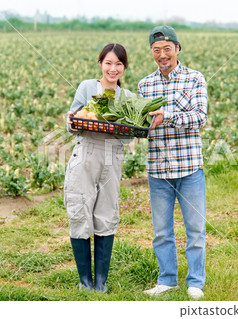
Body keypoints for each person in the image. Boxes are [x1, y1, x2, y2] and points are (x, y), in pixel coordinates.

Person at [137, 26, 208, 299]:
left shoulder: (194, 79)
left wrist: (166, 115)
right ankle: (167, 279)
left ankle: (195, 283)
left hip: (189, 167)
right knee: (161, 232)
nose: (162, 55)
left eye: (167, 49)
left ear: (178, 48)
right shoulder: (145, 85)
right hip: (158, 170)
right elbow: (143, 124)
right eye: (156, 50)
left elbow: (199, 117)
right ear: (152, 53)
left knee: (195, 230)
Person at [64, 43, 131, 292]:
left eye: (119, 64)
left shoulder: (127, 98)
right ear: (100, 63)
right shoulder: (86, 87)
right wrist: (72, 121)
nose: (113, 69)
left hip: (113, 157)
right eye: (108, 63)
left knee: (106, 212)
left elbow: (128, 137)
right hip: (86, 153)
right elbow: (72, 124)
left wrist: (123, 127)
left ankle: (101, 282)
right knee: (79, 208)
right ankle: (85, 282)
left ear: (124, 67)